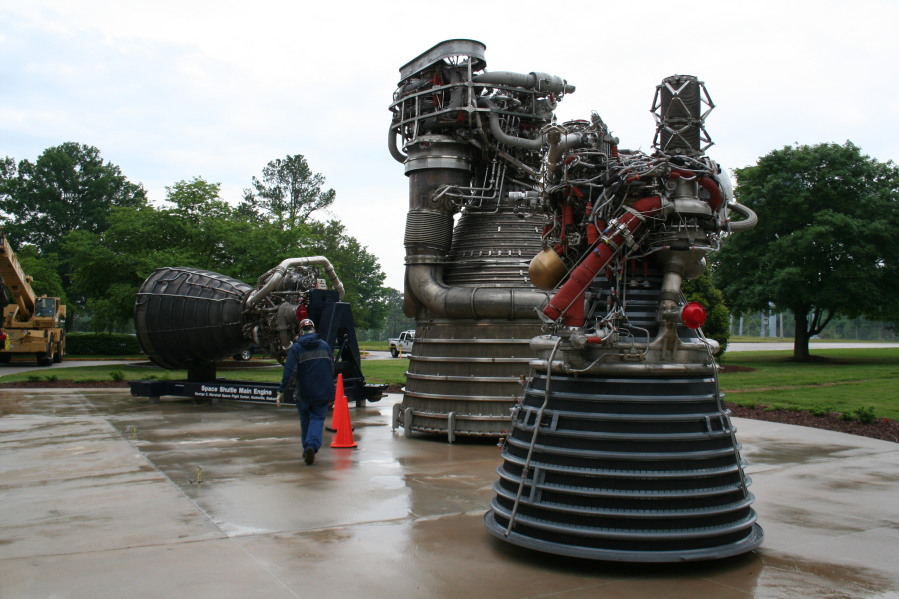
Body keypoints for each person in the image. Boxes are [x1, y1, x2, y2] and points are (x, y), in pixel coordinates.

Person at [276, 318, 334, 465]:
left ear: (300, 332)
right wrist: (330, 390)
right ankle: (312, 446)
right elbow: (330, 368)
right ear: (313, 330)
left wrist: (282, 390)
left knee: (305, 420)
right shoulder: (325, 346)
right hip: (322, 391)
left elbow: (289, 371)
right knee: (317, 418)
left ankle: (306, 447)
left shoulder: (296, 348)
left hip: (304, 392)